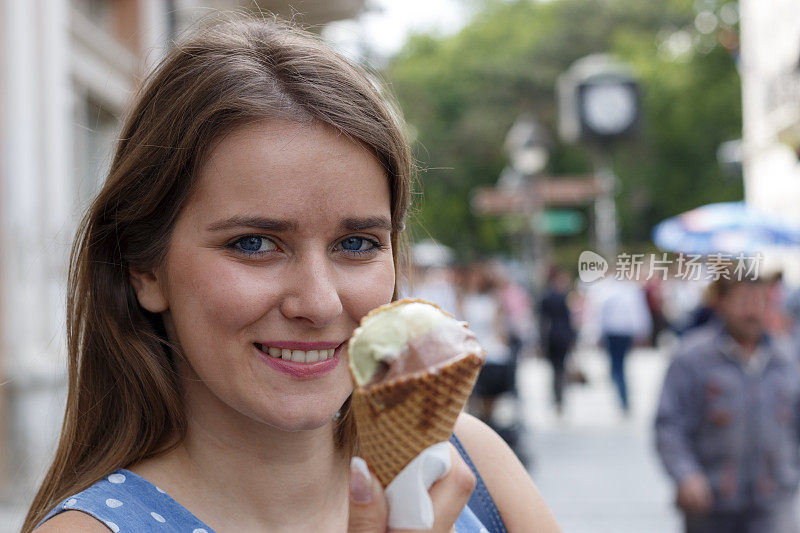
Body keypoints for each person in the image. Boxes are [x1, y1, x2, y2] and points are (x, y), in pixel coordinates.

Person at [24, 15, 560, 533]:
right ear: (143, 268)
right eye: (254, 244)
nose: (320, 303)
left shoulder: (469, 465)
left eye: (356, 243)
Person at [654, 275, 800, 533]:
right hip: (710, 503)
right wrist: (686, 474)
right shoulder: (693, 357)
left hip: (774, 503)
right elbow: (669, 424)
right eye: (743, 302)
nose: (752, 311)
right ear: (722, 304)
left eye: (759, 302)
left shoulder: (787, 359)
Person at [598, 277, 652, 414]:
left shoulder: (609, 291)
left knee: (617, 365)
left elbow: (601, 314)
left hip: (614, 331)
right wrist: (642, 330)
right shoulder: (630, 291)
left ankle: (623, 395)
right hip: (622, 331)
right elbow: (638, 312)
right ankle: (623, 396)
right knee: (620, 365)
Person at [538, 268, 575, 416]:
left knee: (555, 370)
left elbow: (541, 321)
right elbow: (568, 320)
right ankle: (559, 399)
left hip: (551, 337)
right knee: (559, 368)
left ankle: (556, 397)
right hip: (562, 336)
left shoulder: (545, 297)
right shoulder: (563, 297)